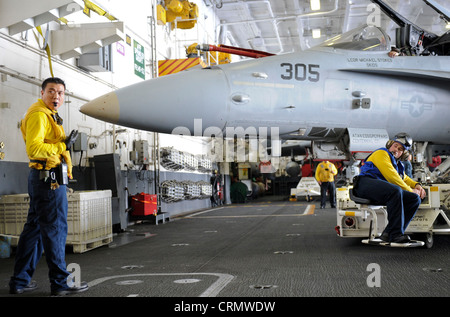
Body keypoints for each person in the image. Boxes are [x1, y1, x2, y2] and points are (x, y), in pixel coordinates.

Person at [9, 77, 88, 296]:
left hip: (44, 177)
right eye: (51, 91)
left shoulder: (49, 115)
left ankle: (19, 281)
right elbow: (34, 149)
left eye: (60, 93)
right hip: (49, 178)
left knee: (34, 229)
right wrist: (63, 145)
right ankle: (60, 283)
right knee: (55, 229)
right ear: (42, 92)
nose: (56, 96)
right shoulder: (38, 115)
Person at [353, 133, 426, 244]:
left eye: (400, 149)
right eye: (395, 145)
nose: (396, 149)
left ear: (403, 153)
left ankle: (389, 233)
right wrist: (410, 190)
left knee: (414, 199)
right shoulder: (381, 153)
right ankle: (396, 235)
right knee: (396, 191)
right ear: (390, 144)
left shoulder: (398, 164)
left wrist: (416, 185)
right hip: (364, 184)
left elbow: (404, 178)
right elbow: (392, 177)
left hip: (379, 189)